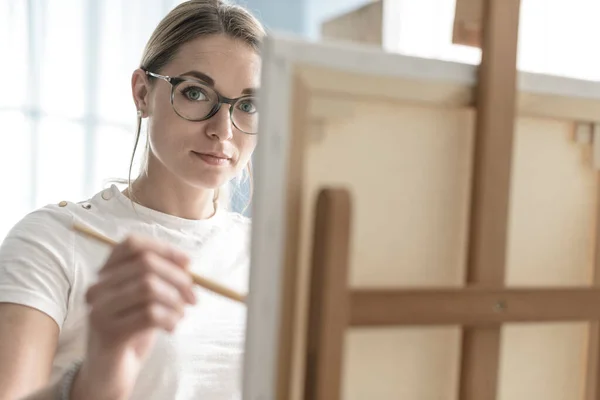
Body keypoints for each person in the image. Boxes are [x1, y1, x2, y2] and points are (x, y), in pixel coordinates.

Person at [0, 1, 264, 399]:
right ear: (143, 92)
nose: (222, 130)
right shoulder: (54, 240)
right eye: (195, 92)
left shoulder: (270, 257)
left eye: (248, 105)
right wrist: (102, 368)